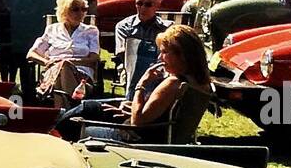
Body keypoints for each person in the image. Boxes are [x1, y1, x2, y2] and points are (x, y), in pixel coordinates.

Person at [56, 0, 169, 139]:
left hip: (137, 99)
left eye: (148, 4)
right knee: (84, 107)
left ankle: (54, 126)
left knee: (84, 110)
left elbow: (138, 119)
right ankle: (57, 120)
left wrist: (141, 87)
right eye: (139, 3)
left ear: (158, 5)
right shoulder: (125, 26)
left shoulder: (167, 32)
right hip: (131, 79)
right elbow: (125, 56)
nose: (142, 8)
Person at [69, 24, 214, 145]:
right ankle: (51, 123)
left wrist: (141, 83)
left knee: (73, 125)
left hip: (135, 139)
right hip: (153, 131)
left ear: (182, 55)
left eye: (164, 52)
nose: (160, 57)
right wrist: (132, 108)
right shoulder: (201, 83)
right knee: (90, 107)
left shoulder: (174, 83)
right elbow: (161, 115)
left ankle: (49, 130)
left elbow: (137, 122)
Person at [27, 0, 100, 105]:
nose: (81, 13)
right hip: (53, 72)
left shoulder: (91, 31)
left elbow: (94, 58)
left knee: (65, 66)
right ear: (64, 11)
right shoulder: (52, 30)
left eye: (84, 9)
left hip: (81, 75)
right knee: (62, 69)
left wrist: (68, 62)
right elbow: (31, 54)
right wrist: (48, 62)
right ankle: (70, 108)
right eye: (75, 9)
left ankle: (61, 109)